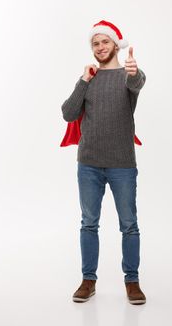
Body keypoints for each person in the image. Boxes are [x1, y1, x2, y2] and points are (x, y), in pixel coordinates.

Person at [61, 20, 147, 305]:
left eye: (104, 42)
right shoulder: (89, 78)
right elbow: (68, 113)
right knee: (88, 223)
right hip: (89, 164)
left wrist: (134, 72)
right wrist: (83, 80)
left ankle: (132, 281)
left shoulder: (128, 75)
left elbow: (138, 82)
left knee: (129, 224)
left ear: (115, 45)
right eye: (95, 43)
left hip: (122, 164)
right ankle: (88, 280)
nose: (100, 47)